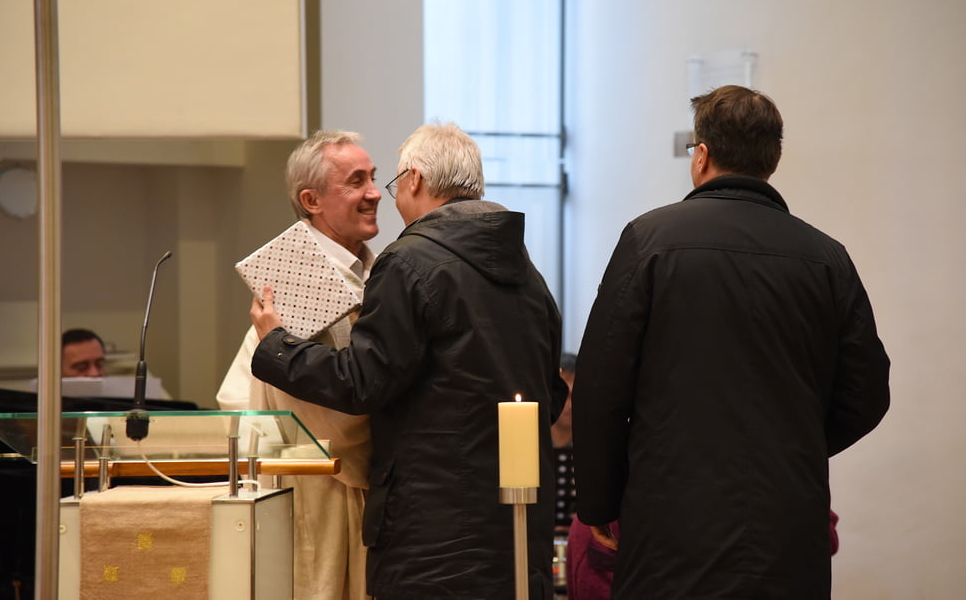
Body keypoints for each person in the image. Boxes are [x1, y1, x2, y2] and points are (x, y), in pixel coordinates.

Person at [572, 85, 890, 598]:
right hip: (788, 525)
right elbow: (868, 393)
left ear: (701, 156)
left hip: (668, 522)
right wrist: (794, 444)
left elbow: (599, 385)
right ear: (772, 161)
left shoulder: (649, 242)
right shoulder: (827, 258)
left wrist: (600, 502)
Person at [249, 122, 567, 600]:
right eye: (358, 181)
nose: (382, 195)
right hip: (518, 526)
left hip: (434, 533)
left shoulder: (408, 262)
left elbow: (362, 382)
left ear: (414, 180)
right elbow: (551, 393)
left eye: (389, 180)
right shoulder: (528, 274)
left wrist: (276, 344)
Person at [216, 130, 380, 600]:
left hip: (358, 487)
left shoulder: (377, 272)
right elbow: (242, 398)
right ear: (312, 200)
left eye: (373, 178)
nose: (374, 193)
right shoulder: (295, 276)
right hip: (317, 484)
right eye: (356, 181)